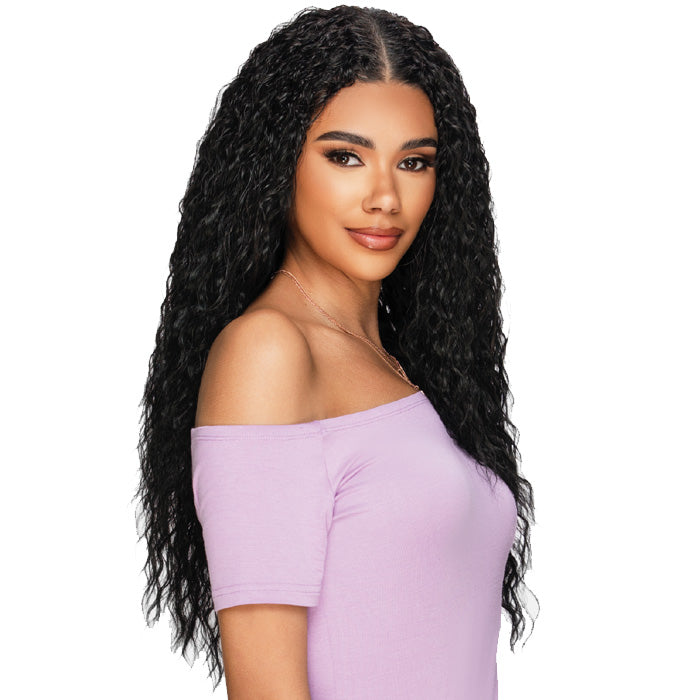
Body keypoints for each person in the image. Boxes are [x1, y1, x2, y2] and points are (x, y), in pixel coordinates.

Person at [135, 5, 538, 698]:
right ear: (277, 162)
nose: (385, 196)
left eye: (414, 162)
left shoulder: (406, 364)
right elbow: (265, 688)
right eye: (346, 156)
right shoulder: (268, 352)